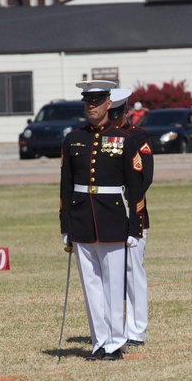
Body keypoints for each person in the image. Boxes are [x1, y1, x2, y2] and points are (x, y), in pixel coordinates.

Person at [59, 80, 146, 361]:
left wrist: (135, 225)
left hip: (112, 218)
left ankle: (116, 343)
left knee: (112, 285)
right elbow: (66, 185)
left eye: (97, 102)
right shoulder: (74, 139)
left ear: (109, 103)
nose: (91, 107)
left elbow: (135, 187)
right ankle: (99, 342)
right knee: (91, 287)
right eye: (88, 102)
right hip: (83, 219)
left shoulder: (124, 139)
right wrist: (65, 225)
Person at [109, 87, 154, 347]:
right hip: (105, 212)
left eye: (117, 113)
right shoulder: (99, 136)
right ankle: (115, 327)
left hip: (131, 208)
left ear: (126, 112)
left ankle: (136, 330)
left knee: (132, 270)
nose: (112, 118)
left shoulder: (138, 136)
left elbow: (144, 176)